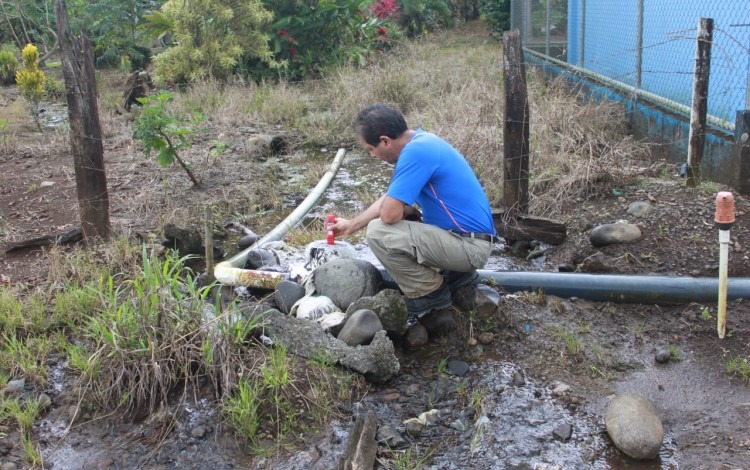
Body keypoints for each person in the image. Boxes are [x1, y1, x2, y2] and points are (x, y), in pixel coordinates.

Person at [331, 103, 496, 341]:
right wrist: (351, 225)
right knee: (401, 216)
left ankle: (431, 298)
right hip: (468, 240)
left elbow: (388, 214)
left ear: (386, 141)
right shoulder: (423, 142)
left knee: (378, 232)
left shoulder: (416, 153)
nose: (372, 155)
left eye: (371, 149)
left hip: (470, 248)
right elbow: (391, 200)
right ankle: (458, 281)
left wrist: (397, 213)